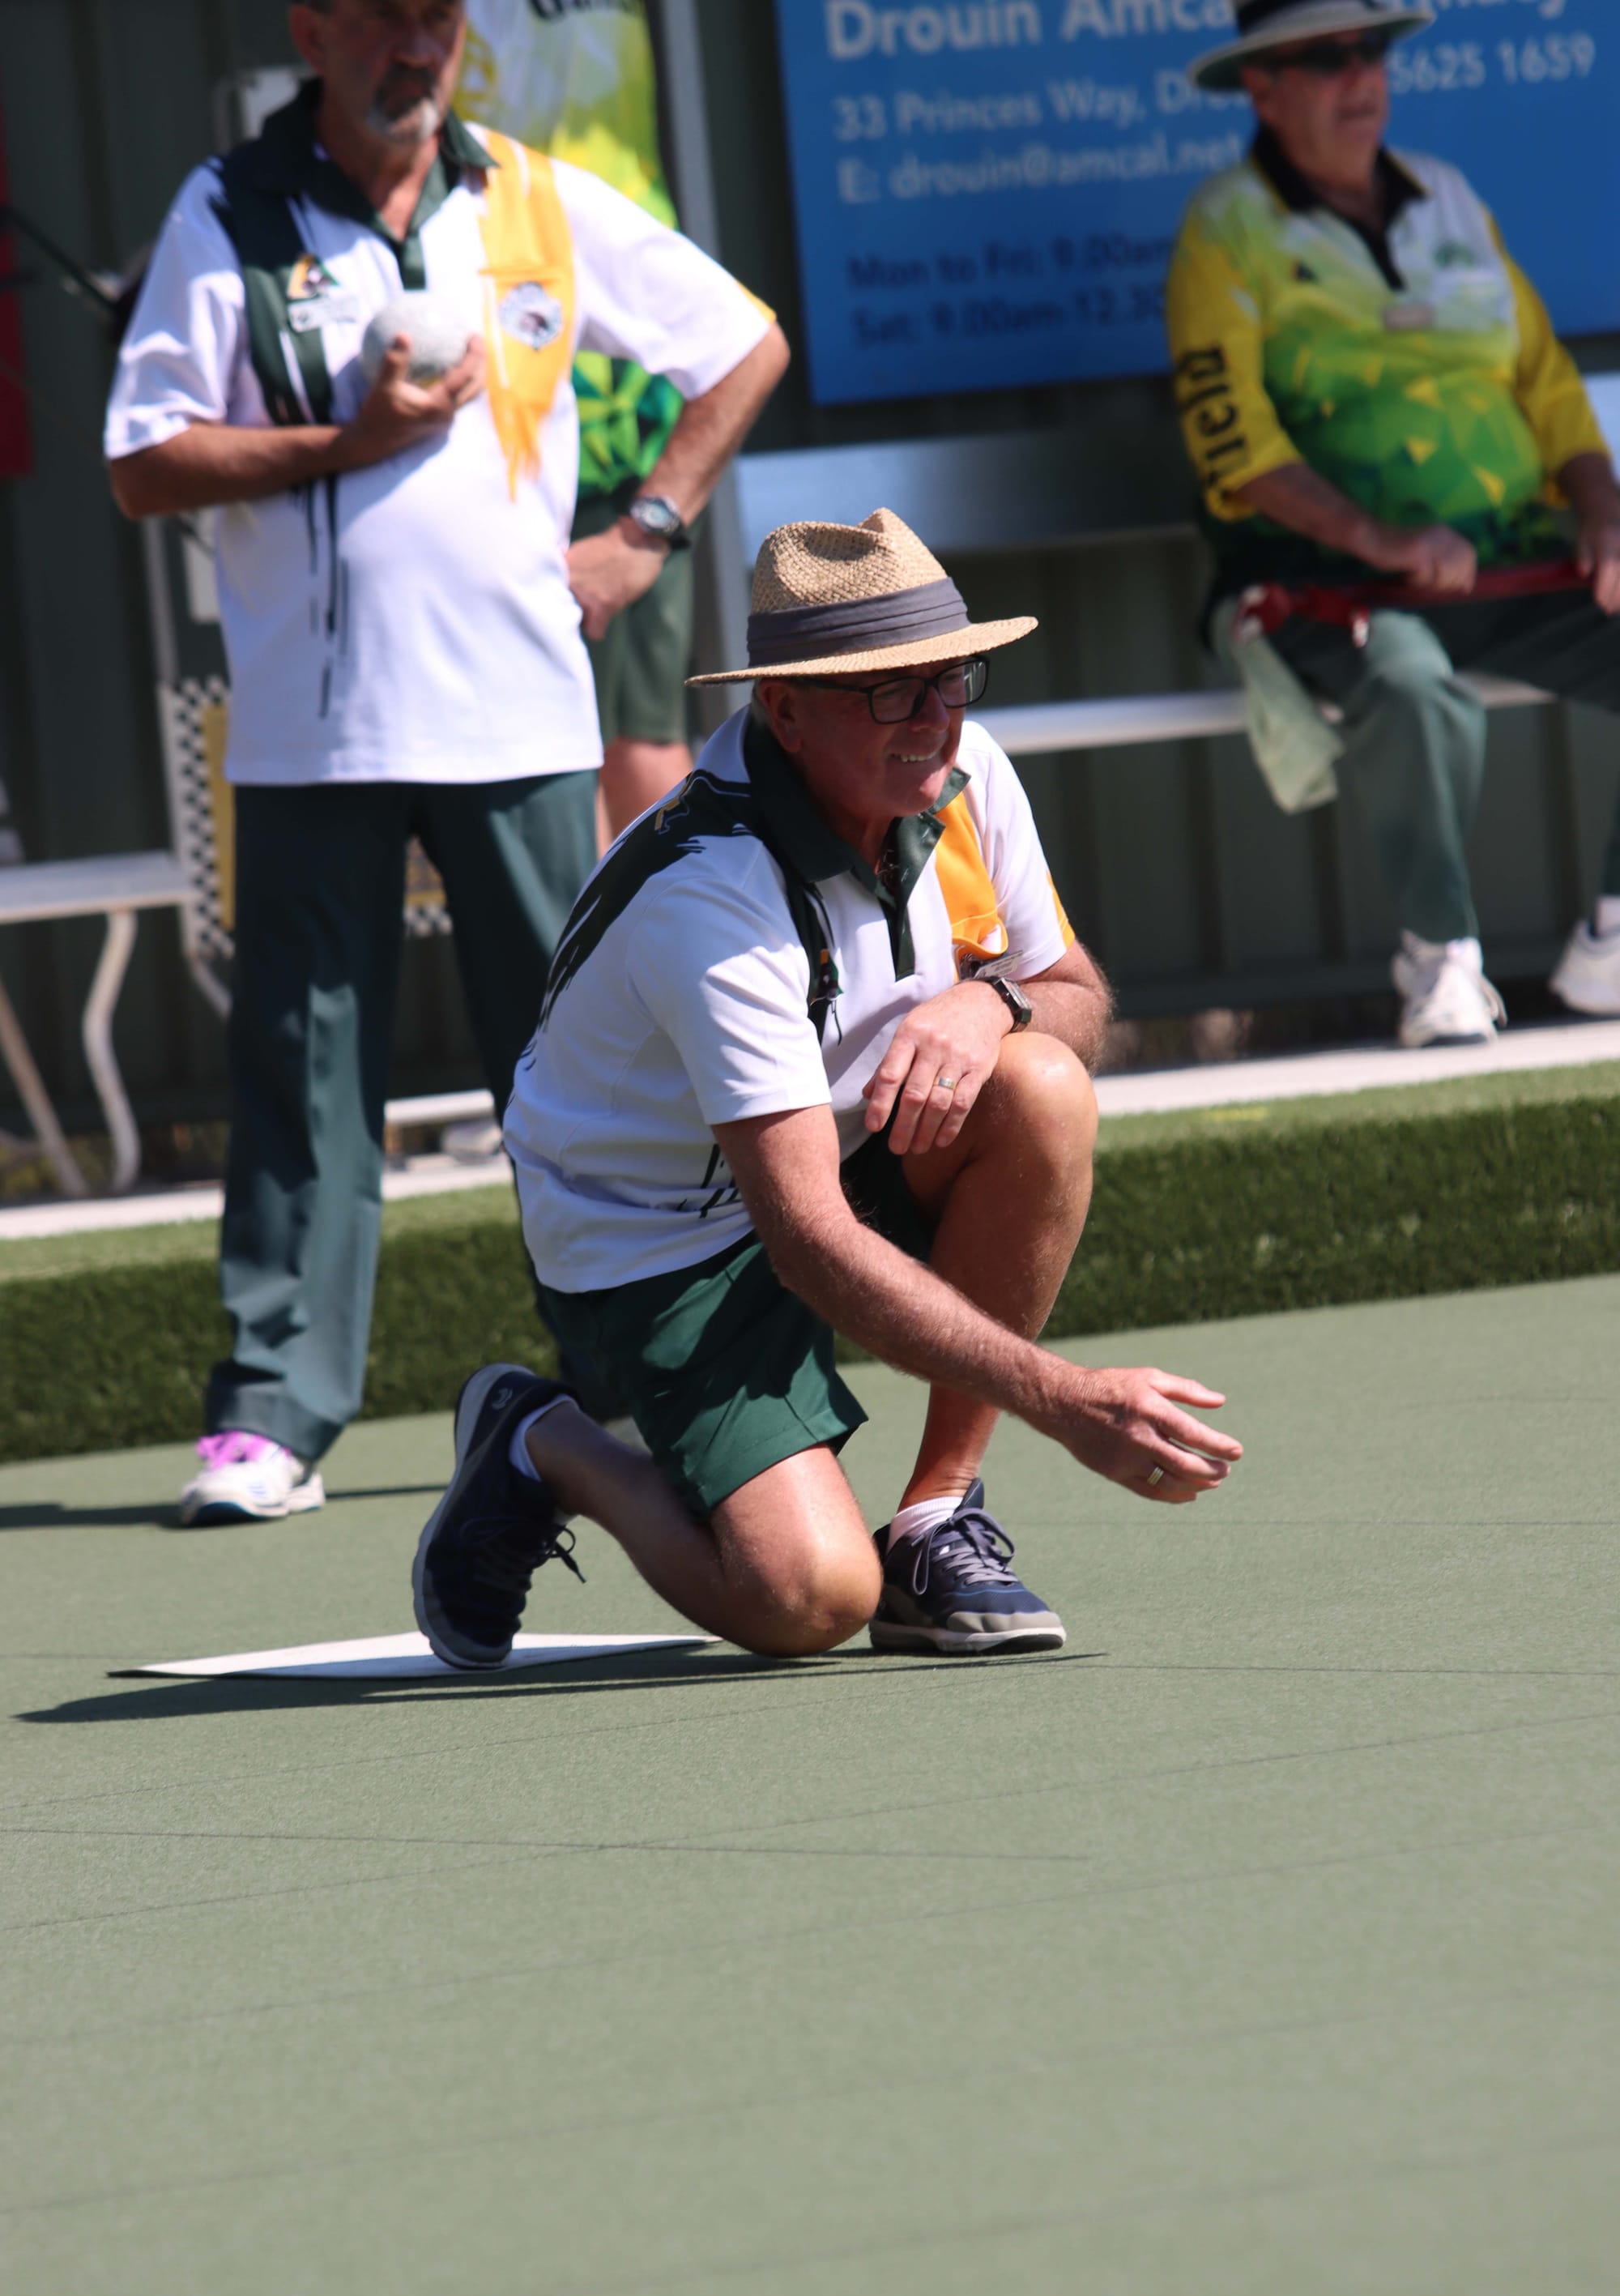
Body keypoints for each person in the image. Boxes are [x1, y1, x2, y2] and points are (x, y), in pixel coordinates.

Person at [104, 0, 787, 1526]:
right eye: (382, 18)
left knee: (580, 1079)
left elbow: (745, 345)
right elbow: (145, 459)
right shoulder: (229, 208)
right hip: (309, 729)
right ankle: (274, 1412)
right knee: (300, 1072)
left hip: (523, 720)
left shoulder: (535, 197)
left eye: (439, 19)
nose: (414, 48)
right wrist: (343, 445)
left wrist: (643, 534)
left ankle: (627, 1387)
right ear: (314, 26)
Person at [411, 512, 1243, 1668]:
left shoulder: (964, 770)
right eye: (890, 692)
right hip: (661, 1238)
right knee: (805, 1601)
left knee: (1042, 1087)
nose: (936, 717)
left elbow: (1076, 994)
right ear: (785, 711)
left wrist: (989, 1004)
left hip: (838, 1142)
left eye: (950, 677)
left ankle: (935, 1520)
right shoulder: (709, 894)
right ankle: (542, 1440)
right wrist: (1066, 1402)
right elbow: (802, 1237)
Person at [1167, 0, 1620, 1048]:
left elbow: (1550, 391)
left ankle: (1611, 935)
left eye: (1371, 49)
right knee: (1416, 690)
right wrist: (1383, 542)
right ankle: (1440, 955)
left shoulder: (1452, 198)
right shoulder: (1224, 228)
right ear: (1262, 90)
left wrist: (1602, 511)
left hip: (1507, 562)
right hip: (1328, 579)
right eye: (1324, 58)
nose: (1359, 74)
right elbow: (1231, 444)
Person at [455, 0, 701, 850]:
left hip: (605, 389)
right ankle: (629, 971)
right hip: (525, 379)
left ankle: (657, 970)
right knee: (590, 741)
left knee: (627, 737)